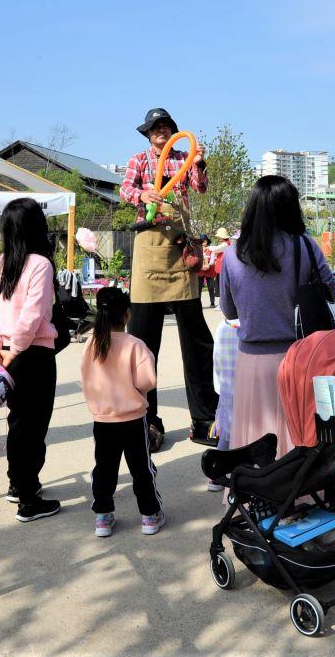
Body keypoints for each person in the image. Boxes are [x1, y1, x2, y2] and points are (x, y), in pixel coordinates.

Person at [120, 107, 218, 451]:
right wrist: (143, 195)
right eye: (155, 128)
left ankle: (205, 418)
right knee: (144, 343)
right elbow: (125, 190)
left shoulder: (184, 156)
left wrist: (200, 163)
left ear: (173, 131)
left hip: (179, 250)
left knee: (197, 341)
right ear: (148, 134)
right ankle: (147, 422)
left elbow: (199, 188)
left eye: (165, 127)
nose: (160, 132)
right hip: (149, 249)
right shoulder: (139, 160)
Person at [220, 175, 335, 459]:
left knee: (254, 434)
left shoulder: (233, 253)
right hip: (299, 358)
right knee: (298, 432)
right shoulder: (305, 246)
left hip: (252, 363)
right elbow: (330, 293)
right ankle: (299, 493)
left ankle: (256, 495)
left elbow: (229, 311)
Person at [0, 198, 61, 523]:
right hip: (34, 355)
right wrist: (16, 349)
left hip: (5, 355)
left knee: (18, 424)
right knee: (34, 426)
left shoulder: (1, 264)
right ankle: (28, 499)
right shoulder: (41, 264)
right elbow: (32, 315)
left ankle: (18, 484)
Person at [80, 288, 166, 537]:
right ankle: (150, 515)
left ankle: (103, 516)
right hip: (132, 418)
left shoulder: (92, 343)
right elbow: (147, 381)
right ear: (127, 314)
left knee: (104, 468)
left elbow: (85, 376)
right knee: (141, 468)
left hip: (103, 418)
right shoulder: (135, 345)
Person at [198, 235, 220, 308]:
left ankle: (212, 303)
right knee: (199, 288)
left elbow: (213, 259)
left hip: (209, 270)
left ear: (207, 241)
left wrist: (209, 266)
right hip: (200, 270)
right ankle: (198, 304)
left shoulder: (211, 249)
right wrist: (201, 266)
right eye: (202, 240)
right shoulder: (197, 249)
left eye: (205, 240)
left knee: (211, 287)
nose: (203, 241)